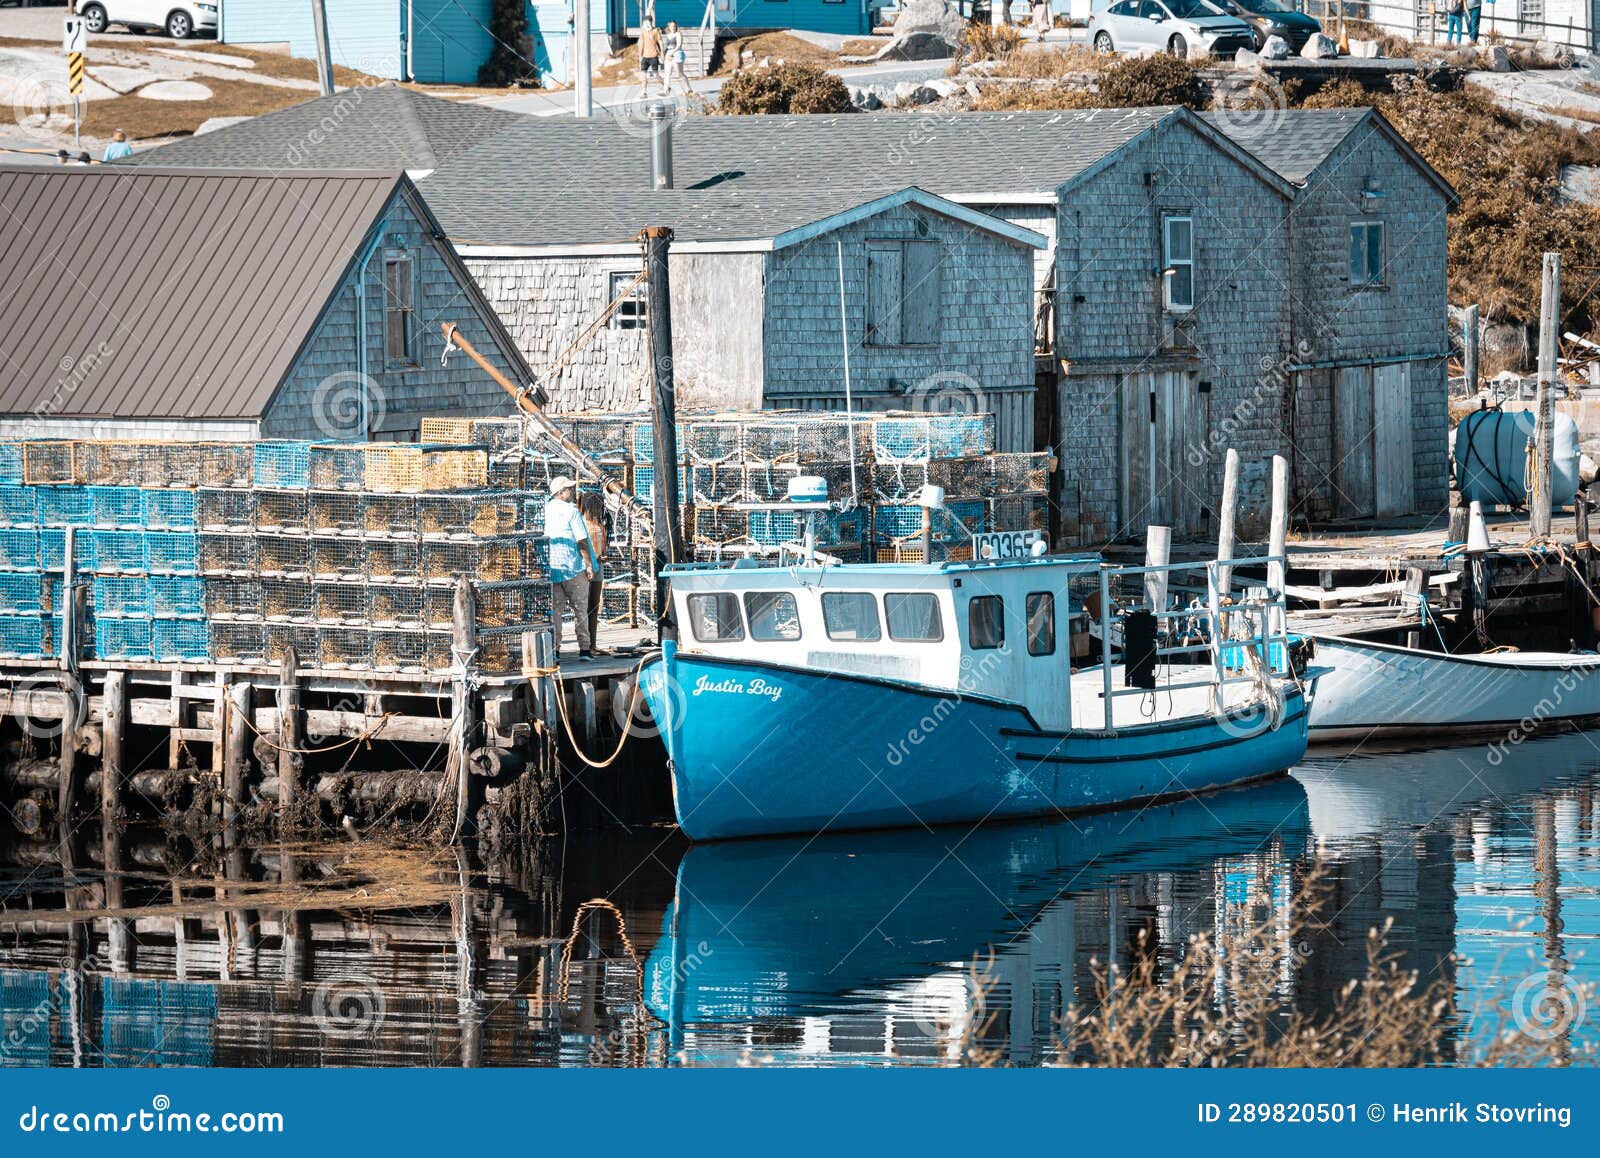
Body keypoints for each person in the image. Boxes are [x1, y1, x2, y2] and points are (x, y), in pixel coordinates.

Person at [544, 476, 598, 660]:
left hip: (552, 568)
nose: (572, 491)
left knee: (555, 612)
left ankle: (555, 651)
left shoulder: (545, 509)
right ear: (560, 492)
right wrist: (589, 564)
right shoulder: (571, 510)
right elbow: (581, 540)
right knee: (580, 609)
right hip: (574, 567)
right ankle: (584, 649)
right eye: (569, 489)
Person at [578, 490, 609, 655]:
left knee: (594, 607)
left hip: (598, 568)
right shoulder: (582, 524)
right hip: (586, 568)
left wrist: (603, 556)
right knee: (586, 607)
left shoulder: (600, 526)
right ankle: (586, 645)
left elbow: (603, 549)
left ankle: (593, 644)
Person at [662, 21, 689, 97]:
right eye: (671, 26)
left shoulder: (678, 34)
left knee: (679, 74)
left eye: (674, 26)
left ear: (676, 26)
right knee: (667, 73)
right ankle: (665, 90)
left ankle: (688, 89)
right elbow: (667, 46)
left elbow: (679, 45)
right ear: (669, 27)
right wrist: (664, 54)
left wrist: (672, 53)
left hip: (676, 53)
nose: (673, 28)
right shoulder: (668, 35)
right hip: (668, 54)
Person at [638, 21, 663, 95]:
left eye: (648, 23)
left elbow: (660, 42)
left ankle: (666, 86)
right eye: (645, 23)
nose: (647, 25)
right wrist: (640, 55)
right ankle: (644, 91)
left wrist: (662, 53)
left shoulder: (655, 31)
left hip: (653, 56)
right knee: (643, 75)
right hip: (645, 57)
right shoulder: (643, 32)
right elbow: (641, 44)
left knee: (656, 75)